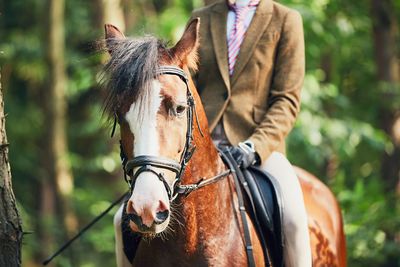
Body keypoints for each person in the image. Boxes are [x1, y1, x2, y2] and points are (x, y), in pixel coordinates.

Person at [189, 0, 312, 266]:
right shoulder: (201, 17)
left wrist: (254, 146)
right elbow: (186, 87)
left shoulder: (286, 19)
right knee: (123, 221)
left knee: (293, 220)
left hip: (258, 148)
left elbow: (286, 101)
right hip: (200, 145)